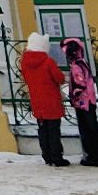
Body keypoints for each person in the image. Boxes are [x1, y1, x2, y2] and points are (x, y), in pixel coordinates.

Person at [19, 31, 71, 167]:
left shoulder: (24, 62)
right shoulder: (48, 62)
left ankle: (47, 156)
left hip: (37, 100)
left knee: (42, 129)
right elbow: (59, 78)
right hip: (51, 101)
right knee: (54, 130)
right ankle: (57, 157)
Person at [63, 37, 98, 167]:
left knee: (87, 129)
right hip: (90, 100)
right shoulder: (83, 63)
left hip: (83, 102)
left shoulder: (77, 66)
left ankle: (93, 156)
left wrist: (74, 95)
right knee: (93, 128)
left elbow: (79, 84)